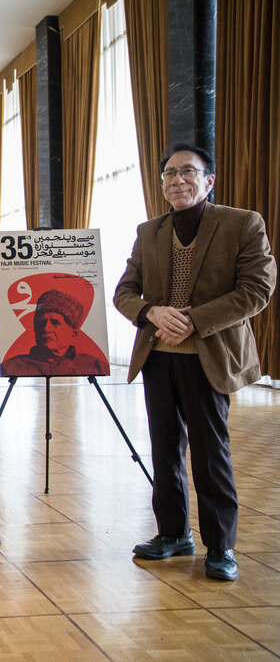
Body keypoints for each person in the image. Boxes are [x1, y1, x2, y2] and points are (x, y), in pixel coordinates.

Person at [113, 142, 276, 581]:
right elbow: (124, 292)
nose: (177, 180)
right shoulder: (149, 231)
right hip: (158, 356)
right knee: (165, 449)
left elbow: (256, 289)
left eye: (187, 171)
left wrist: (193, 320)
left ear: (208, 180)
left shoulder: (242, 224)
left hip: (210, 354)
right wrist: (150, 313)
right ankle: (172, 534)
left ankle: (221, 547)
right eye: (168, 174)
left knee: (210, 452)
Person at [0, 289, 107, 377]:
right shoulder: (11, 366)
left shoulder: (95, 365)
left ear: (73, 333)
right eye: (41, 322)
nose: (46, 329)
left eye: (55, 322)